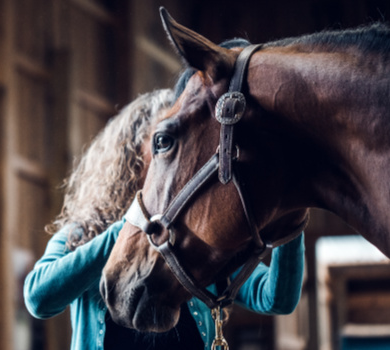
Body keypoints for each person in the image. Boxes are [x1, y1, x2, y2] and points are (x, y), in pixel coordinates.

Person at [24, 41, 305, 350]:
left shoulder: (194, 238)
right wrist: (131, 229)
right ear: (129, 156)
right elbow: (39, 297)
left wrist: (293, 208)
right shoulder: (87, 230)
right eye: (166, 142)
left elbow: (275, 298)